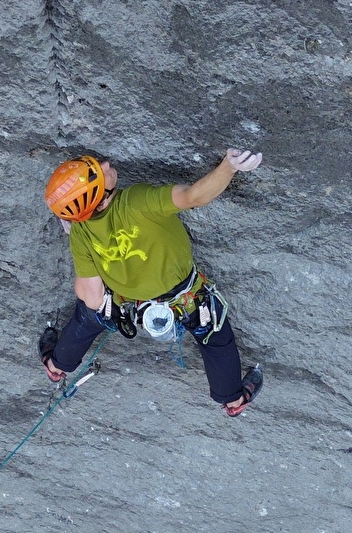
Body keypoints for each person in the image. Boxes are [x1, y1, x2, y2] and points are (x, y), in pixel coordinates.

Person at [38, 149, 264, 416]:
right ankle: (232, 399)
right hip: (185, 299)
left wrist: (77, 228)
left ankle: (57, 365)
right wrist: (229, 166)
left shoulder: (80, 233)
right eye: (99, 172)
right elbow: (193, 196)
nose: (107, 164)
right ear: (100, 198)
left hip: (125, 306)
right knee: (215, 336)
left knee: (88, 315)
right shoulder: (137, 201)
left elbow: (93, 297)